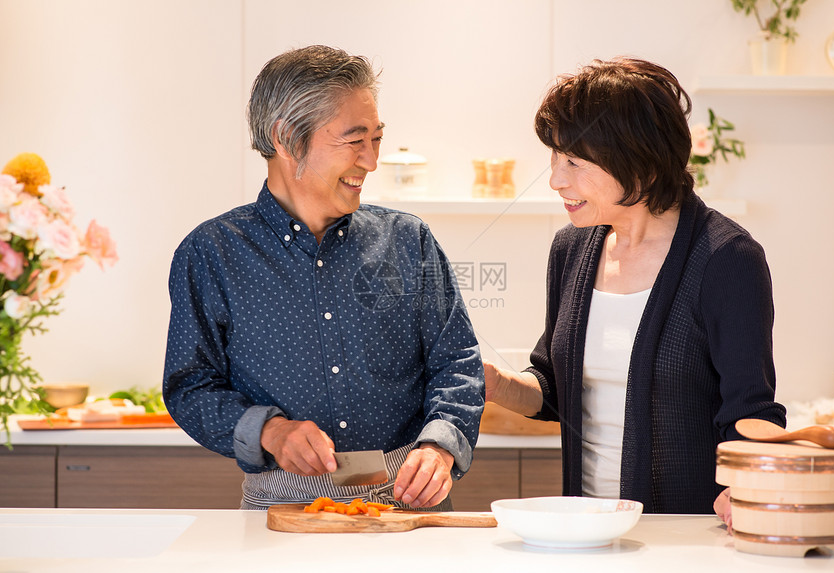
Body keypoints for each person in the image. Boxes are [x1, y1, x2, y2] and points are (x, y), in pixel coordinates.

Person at [163, 45, 484, 511]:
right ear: (287, 137)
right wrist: (270, 431)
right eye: (355, 140)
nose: (371, 160)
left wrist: (438, 446)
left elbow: (458, 362)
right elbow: (190, 386)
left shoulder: (408, 240)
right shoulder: (213, 253)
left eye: (377, 138)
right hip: (282, 510)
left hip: (409, 507)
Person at [483, 57, 786, 518]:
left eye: (574, 162)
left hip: (685, 536)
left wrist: (749, 484)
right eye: (554, 158)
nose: (555, 180)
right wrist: (496, 383)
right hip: (586, 531)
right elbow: (554, 392)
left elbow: (751, 409)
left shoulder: (726, 259)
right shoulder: (572, 249)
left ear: (639, 161)